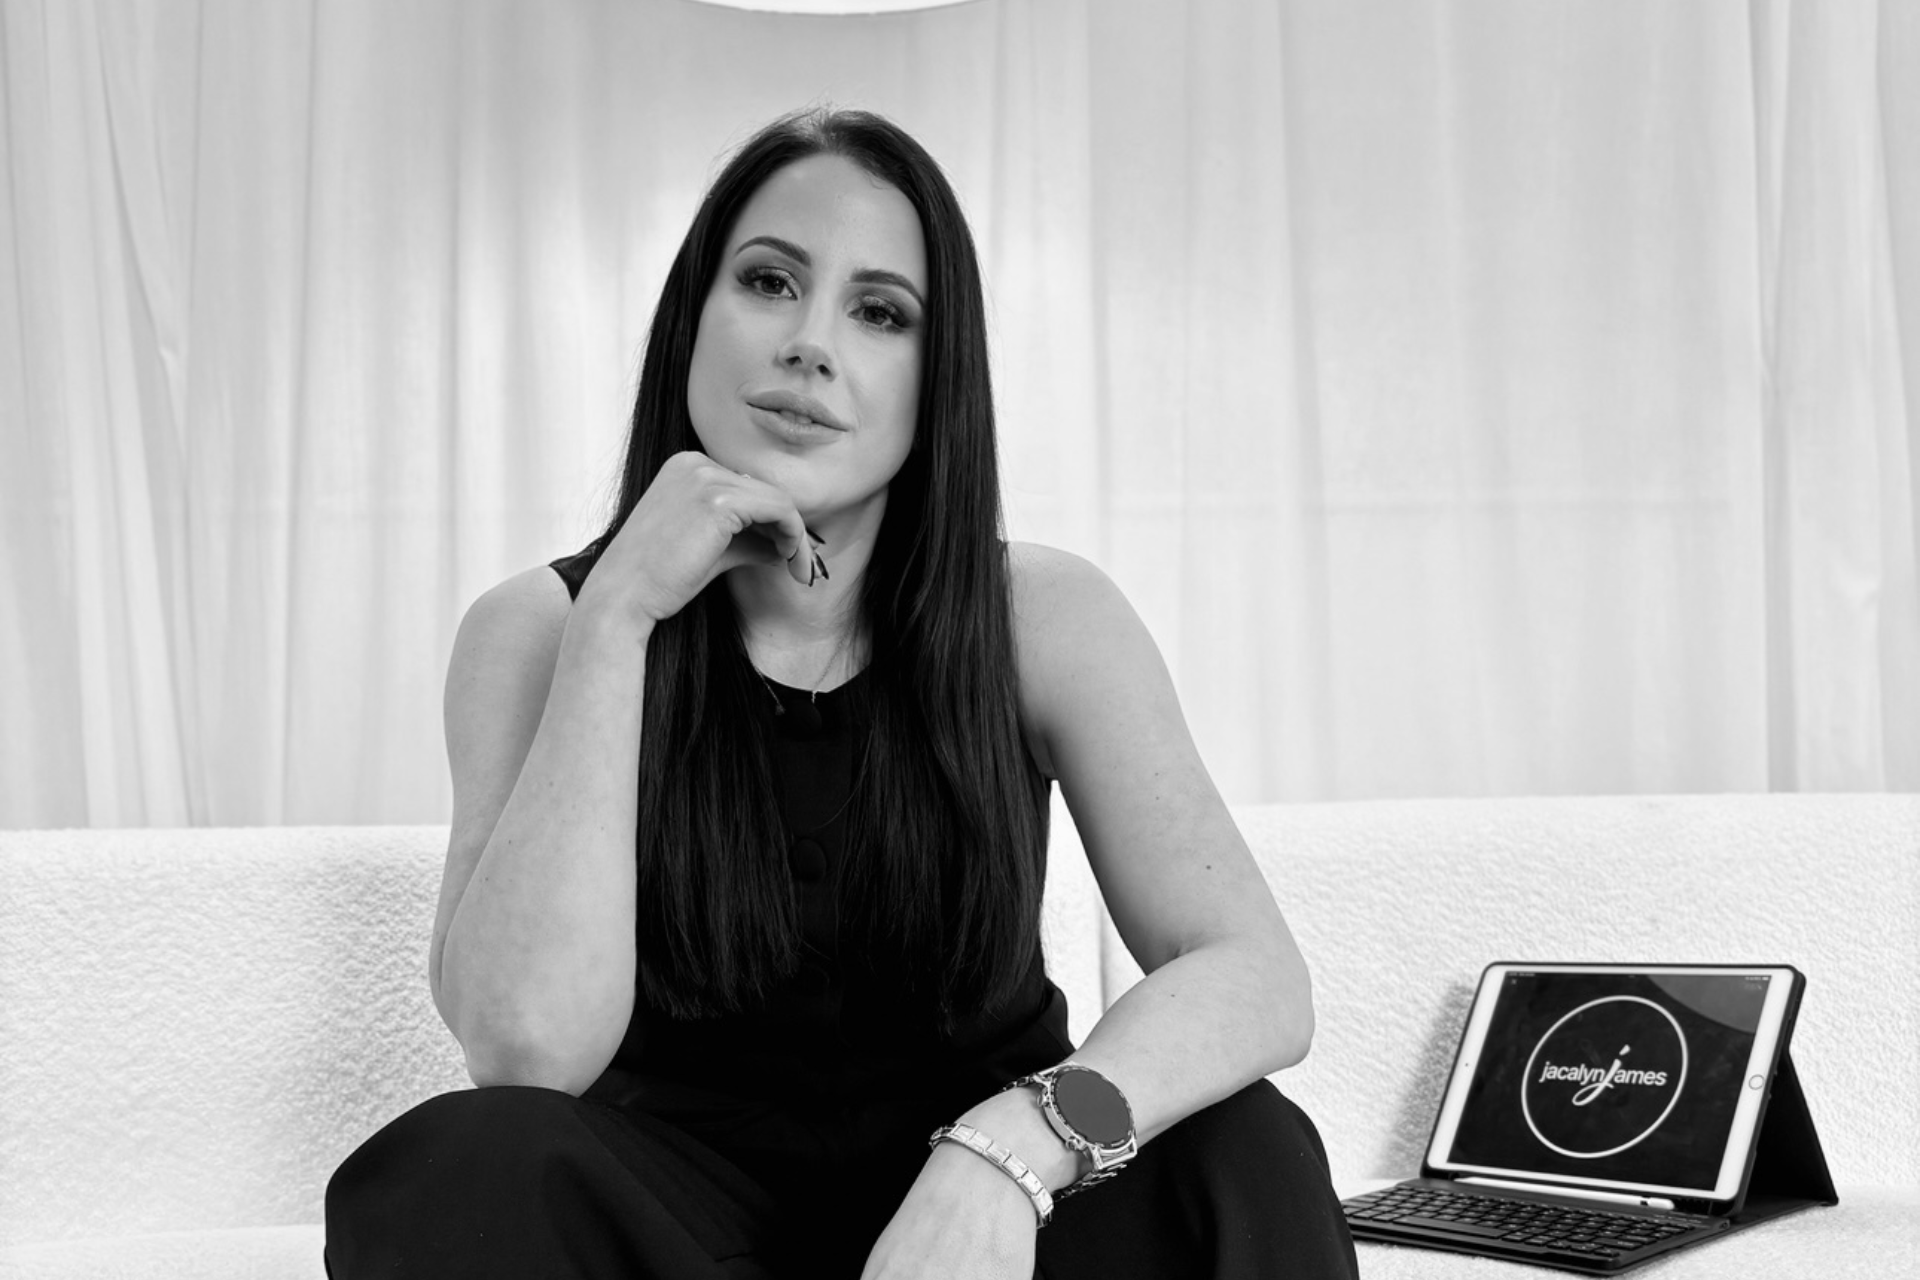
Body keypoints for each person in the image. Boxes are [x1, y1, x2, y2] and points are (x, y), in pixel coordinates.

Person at [324, 105, 1359, 1280]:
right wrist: (618, 616)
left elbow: (1255, 975)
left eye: (879, 312)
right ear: (693, 318)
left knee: (1243, 1142)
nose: (811, 344)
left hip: (986, 1238)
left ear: (936, 376)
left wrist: (1009, 1153)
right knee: (460, 1164)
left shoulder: (1043, 616)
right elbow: (525, 1049)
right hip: (672, 1230)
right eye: (770, 282)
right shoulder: (539, 629)